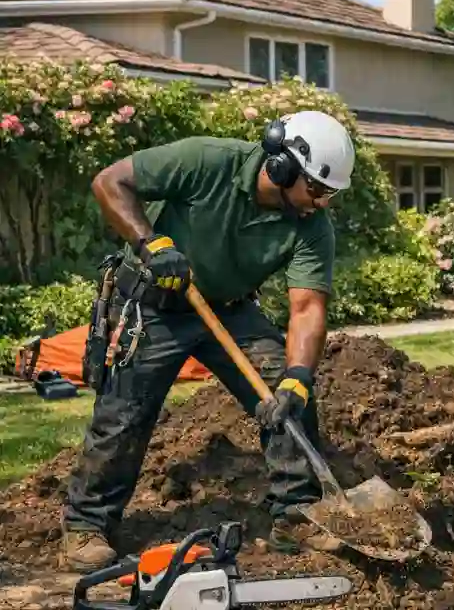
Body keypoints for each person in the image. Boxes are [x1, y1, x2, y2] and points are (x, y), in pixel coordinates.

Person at [59, 110, 355, 572]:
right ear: (282, 167)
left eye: (331, 194)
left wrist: (298, 376)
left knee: (285, 390)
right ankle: (86, 525)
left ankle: (296, 511)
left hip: (231, 310)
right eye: (316, 189)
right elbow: (109, 182)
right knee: (124, 416)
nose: (321, 203)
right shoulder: (206, 160)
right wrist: (151, 244)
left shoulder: (311, 225)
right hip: (153, 305)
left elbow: (307, 308)